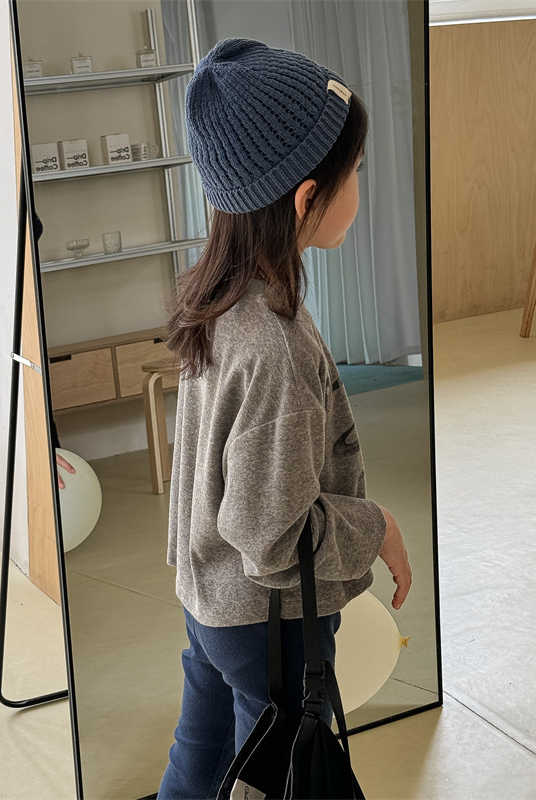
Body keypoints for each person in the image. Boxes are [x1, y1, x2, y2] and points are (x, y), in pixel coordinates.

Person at [156, 39, 412, 799]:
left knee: (200, 764)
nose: (359, 187)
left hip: (209, 597)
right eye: (354, 172)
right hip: (267, 621)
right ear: (305, 198)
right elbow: (272, 535)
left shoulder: (218, 300)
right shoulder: (276, 344)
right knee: (287, 781)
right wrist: (377, 526)